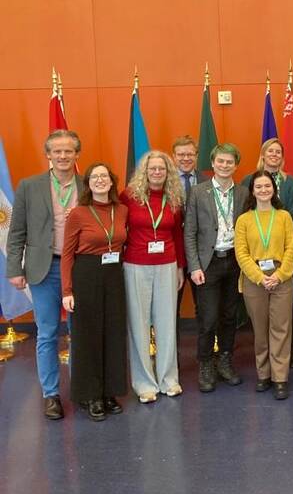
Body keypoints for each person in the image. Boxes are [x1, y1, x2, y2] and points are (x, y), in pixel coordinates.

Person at [7, 130, 83, 420]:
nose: (63, 156)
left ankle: (80, 388)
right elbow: (16, 232)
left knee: (80, 333)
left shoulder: (87, 184)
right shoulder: (29, 186)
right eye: (57, 151)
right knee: (48, 333)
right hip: (44, 268)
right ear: (48, 155)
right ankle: (51, 394)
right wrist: (14, 268)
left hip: (80, 268)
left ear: (77, 154)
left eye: (69, 151)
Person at [61, 163, 128, 421]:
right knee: (87, 337)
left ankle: (110, 391)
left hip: (114, 276)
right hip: (86, 275)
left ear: (112, 182)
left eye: (105, 176)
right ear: (87, 183)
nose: (100, 180)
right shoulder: (78, 213)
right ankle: (91, 395)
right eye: (95, 177)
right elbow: (67, 254)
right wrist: (67, 290)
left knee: (113, 333)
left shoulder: (121, 211)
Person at [120, 150, 186, 403]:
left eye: (162, 169)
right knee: (138, 323)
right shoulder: (129, 197)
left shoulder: (174, 198)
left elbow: (178, 236)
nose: (157, 173)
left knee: (167, 323)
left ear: (168, 172)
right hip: (136, 265)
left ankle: (169, 379)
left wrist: (180, 267)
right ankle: (144, 383)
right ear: (144, 172)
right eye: (152, 169)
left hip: (167, 264)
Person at [184, 144, 249, 392]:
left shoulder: (243, 193)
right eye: (220, 161)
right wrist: (194, 266)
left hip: (234, 261)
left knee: (230, 316)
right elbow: (189, 231)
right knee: (208, 318)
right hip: (207, 264)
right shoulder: (198, 192)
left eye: (229, 162)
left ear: (235, 165)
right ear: (212, 164)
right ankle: (205, 364)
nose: (224, 165)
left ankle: (225, 360)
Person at [235, 171, 293, 399]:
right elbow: (241, 254)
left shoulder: (283, 216)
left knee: (280, 329)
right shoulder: (244, 220)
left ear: (274, 189)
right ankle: (264, 374)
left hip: (281, 277)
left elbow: (291, 248)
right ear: (252, 191)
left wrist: (279, 276)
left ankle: (280, 378)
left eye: (267, 186)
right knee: (260, 330)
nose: (263, 190)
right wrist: (260, 277)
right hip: (254, 279)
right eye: (258, 187)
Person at [241, 138, 293, 367]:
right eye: (270, 151)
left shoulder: (290, 183)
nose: (274, 155)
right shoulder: (249, 180)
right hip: (256, 263)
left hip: (282, 255)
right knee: (260, 319)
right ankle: (264, 368)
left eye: (278, 151)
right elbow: (245, 216)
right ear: (263, 155)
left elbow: (292, 215)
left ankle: (286, 361)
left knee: (284, 316)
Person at [172, 135, 206, 338]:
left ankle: (208, 353)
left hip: (200, 254)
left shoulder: (207, 181)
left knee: (203, 306)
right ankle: (170, 358)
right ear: (173, 156)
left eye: (190, 154)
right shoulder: (163, 181)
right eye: (181, 154)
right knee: (170, 308)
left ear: (196, 156)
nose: (186, 158)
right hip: (172, 253)